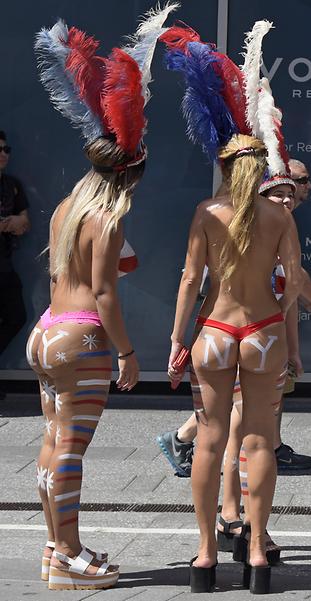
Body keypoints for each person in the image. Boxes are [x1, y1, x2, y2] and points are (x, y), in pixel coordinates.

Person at [29, 7, 176, 588]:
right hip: (83, 336)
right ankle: (67, 557)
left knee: (51, 443)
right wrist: (127, 354)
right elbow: (106, 292)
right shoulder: (110, 216)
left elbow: (62, 275)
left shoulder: (68, 206)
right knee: (70, 450)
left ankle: (55, 548)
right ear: (133, 171)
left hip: (48, 329)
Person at [164, 22, 298, 593]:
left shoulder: (206, 213)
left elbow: (190, 279)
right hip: (263, 328)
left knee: (213, 439)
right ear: (260, 169)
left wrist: (176, 340)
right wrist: (287, 333)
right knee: (260, 441)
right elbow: (291, 282)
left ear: (224, 168)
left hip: (215, 329)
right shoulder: (279, 213)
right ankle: (259, 554)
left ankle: (203, 556)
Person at [156, 161, 311, 477]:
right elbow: (295, 280)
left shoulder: (226, 215)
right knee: (242, 423)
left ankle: (230, 496)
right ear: (262, 187)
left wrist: (291, 342)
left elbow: (290, 288)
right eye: (285, 188)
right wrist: (309, 306)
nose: (290, 197)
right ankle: (236, 504)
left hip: (227, 329)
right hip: (252, 328)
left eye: (293, 190)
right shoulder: (271, 222)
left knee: (228, 417)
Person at [0, 130, 29, 386]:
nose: (3, 154)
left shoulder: (11, 184)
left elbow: (23, 222)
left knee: (16, 315)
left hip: (4, 264)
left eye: (6, 149)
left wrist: (15, 222)